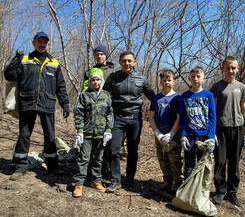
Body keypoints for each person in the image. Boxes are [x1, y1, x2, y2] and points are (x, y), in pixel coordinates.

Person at [4, 31, 70, 181]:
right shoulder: (25, 60)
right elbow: (10, 75)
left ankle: (52, 166)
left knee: (50, 135)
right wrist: (16, 60)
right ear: (34, 43)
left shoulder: (54, 63)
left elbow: (61, 86)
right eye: (39, 41)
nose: (42, 44)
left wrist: (65, 104)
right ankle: (20, 166)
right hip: (27, 102)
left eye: (44, 42)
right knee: (24, 135)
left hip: (47, 103)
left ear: (48, 44)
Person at [103, 51, 155, 193]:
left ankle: (130, 179)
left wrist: (168, 102)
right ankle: (115, 180)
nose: (127, 63)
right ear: (119, 62)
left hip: (135, 119)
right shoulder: (113, 78)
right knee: (113, 149)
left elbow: (152, 96)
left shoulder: (141, 78)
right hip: (117, 118)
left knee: (133, 151)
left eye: (129, 61)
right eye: (124, 61)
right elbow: (104, 94)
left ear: (134, 62)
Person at [210, 56, 245, 207]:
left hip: (237, 128)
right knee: (220, 161)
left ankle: (232, 192)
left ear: (237, 69)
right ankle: (220, 191)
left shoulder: (242, 87)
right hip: (220, 128)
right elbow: (212, 111)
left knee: (234, 162)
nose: (230, 71)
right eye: (227, 68)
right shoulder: (216, 87)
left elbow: (244, 110)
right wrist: (211, 132)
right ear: (222, 69)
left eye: (233, 68)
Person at [73, 68, 113, 197]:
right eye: (93, 80)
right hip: (87, 133)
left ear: (101, 81)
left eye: (98, 80)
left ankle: (95, 181)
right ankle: (79, 183)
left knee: (98, 159)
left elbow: (110, 113)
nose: (96, 82)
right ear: (90, 81)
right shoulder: (84, 95)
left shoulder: (106, 95)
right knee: (83, 158)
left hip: (101, 134)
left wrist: (108, 130)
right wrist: (79, 131)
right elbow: (79, 113)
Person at [149, 68, 183, 192]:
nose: (167, 82)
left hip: (173, 136)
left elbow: (179, 118)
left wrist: (172, 134)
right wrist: (156, 132)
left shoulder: (178, 98)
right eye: (164, 80)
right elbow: (151, 116)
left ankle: (179, 185)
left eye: (169, 80)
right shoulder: (156, 98)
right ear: (160, 82)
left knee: (175, 161)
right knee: (163, 159)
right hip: (159, 135)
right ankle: (167, 182)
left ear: (173, 81)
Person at [179, 66, 216, 179]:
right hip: (190, 136)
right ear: (189, 79)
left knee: (202, 166)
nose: (196, 79)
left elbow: (212, 116)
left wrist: (211, 137)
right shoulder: (184, 96)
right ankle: (187, 192)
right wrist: (183, 135)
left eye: (198, 76)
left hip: (204, 136)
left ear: (203, 78)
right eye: (193, 77)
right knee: (189, 167)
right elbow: (182, 117)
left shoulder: (208, 95)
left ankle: (199, 193)